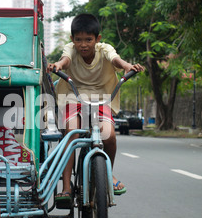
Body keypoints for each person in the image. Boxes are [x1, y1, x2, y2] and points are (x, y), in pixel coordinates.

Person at [47, 13, 144, 206]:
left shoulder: (105, 49)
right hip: (73, 97)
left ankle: (108, 174)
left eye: (88, 40)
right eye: (79, 40)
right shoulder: (71, 50)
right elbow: (64, 60)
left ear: (97, 39)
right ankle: (66, 187)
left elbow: (116, 59)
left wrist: (127, 66)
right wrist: (57, 65)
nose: (83, 44)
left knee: (110, 136)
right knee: (72, 132)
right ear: (72, 39)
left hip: (101, 99)